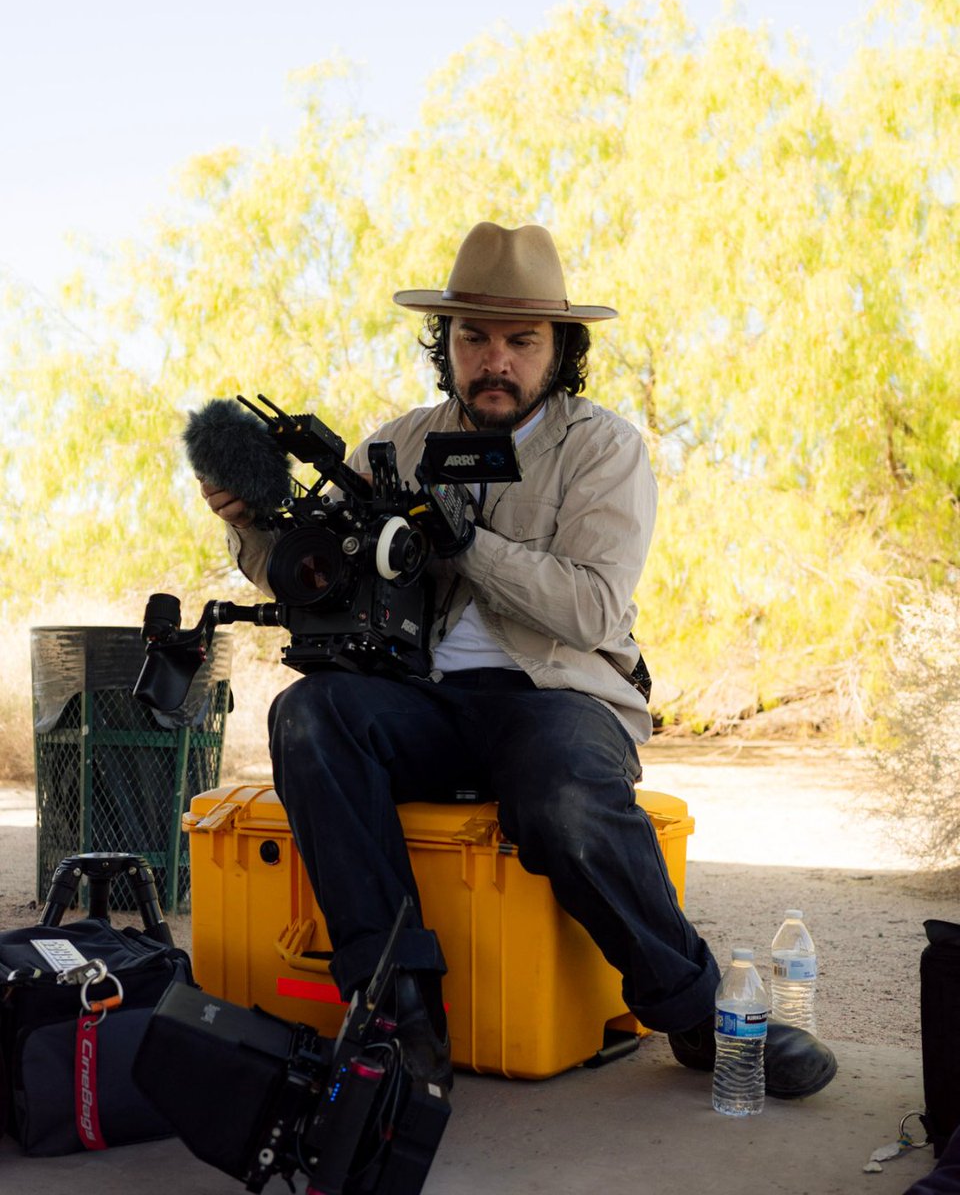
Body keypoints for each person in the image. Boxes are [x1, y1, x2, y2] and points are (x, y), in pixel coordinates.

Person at [200, 221, 837, 1097]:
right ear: (446, 344)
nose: (494, 360)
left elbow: (592, 608)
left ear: (559, 350)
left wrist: (467, 543)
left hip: (560, 697)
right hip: (422, 700)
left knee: (561, 792)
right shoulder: (396, 445)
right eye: (474, 337)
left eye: (521, 341)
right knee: (309, 715)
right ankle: (399, 1011)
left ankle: (693, 1012)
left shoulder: (603, 449)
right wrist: (251, 525)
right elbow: (319, 576)